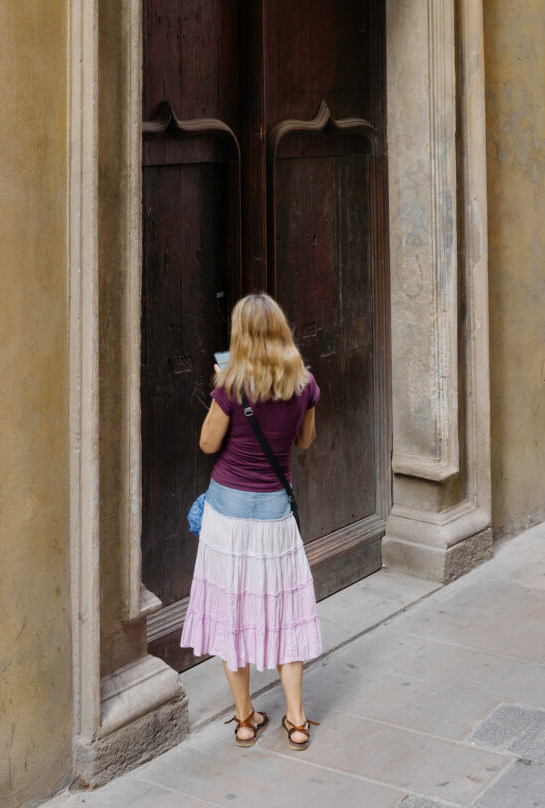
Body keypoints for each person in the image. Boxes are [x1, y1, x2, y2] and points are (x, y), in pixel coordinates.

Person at [179, 292, 322, 750]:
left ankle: (245, 719)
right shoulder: (304, 384)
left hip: (229, 515)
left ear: (241, 335)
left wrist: (220, 388)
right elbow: (304, 441)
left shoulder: (230, 387)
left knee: (231, 612)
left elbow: (206, 444)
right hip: (275, 517)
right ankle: (296, 721)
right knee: (287, 613)